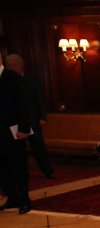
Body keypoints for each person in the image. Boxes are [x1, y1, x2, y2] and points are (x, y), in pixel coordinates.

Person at [6, 54, 55, 179]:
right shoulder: (5, 81)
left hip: (32, 120)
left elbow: (39, 99)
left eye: (14, 65)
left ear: (21, 66)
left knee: (38, 146)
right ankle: (22, 173)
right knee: (18, 150)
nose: (12, 68)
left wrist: (42, 117)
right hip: (15, 122)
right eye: (9, 66)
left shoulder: (32, 79)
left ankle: (48, 171)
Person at [0, 51, 32, 214]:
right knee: (2, 168)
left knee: (18, 165)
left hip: (13, 131)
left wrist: (24, 128)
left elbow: (24, 105)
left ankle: (24, 199)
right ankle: (12, 196)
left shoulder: (13, 78)